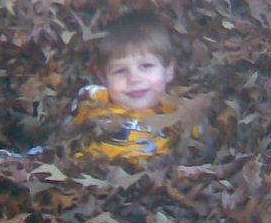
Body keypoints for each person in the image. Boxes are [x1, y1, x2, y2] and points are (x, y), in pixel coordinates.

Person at [69, 9, 212, 161]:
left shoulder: (179, 114)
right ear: (104, 78)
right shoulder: (93, 100)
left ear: (168, 70)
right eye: (120, 71)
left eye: (146, 66)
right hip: (90, 175)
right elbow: (65, 134)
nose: (133, 79)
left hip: (155, 179)